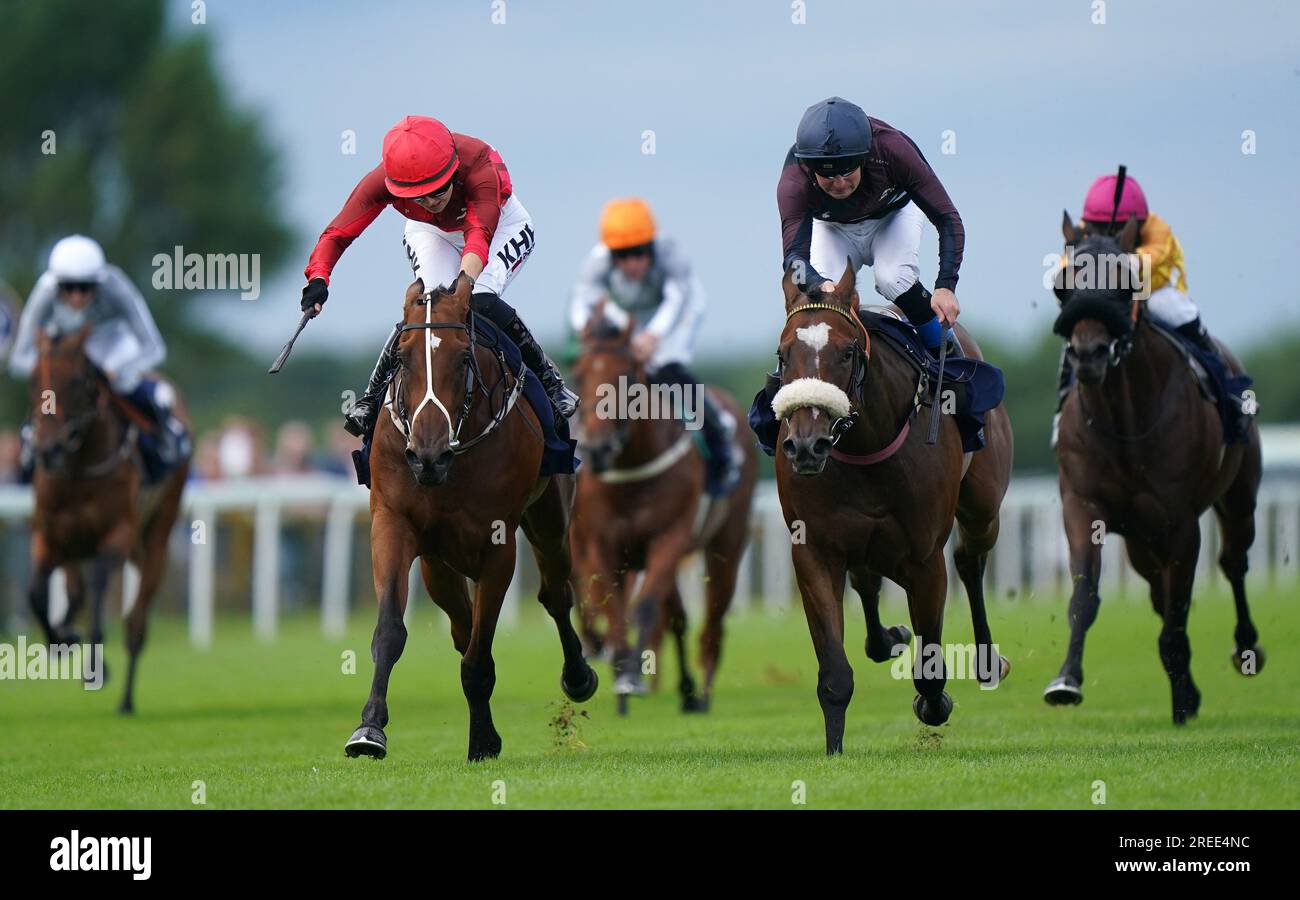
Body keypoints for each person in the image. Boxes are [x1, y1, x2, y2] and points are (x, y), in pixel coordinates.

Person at [301, 115, 577, 439]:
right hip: (433, 233)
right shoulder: (380, 182)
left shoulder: (479, 165)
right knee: (427, 309)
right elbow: (338, 233)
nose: (432, 202)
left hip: (498, 226)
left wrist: (463, 286)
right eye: (419, 196)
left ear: (453, 170)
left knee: (479, 298)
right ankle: (371, 397)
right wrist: (318, 279)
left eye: (438, 190)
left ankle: (549, 380)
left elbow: (479, 234)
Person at [569, 198, 740, 494]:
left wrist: (652, 336)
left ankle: (718, 426)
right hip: (633, 315)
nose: (631, 264)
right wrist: (607, 335)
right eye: (622, 256)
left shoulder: (670, 253)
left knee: (662, 367)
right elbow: (581, 305)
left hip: (681, 309)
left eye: (639, 254)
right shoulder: (596, 262)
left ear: (651, 248)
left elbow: (676, 301)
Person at [777, 96, 965, 356]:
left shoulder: (892, 149)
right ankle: (782, 378)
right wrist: (818, 284)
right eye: (828, 175)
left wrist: (945, 285)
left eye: (847, 171)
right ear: (810, 169)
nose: (840, 184)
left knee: (893, 279)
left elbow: (946, 218)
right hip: (833, 229)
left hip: (892, 217)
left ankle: (951, 362)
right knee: (816, 303)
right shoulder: (794, 180)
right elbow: (794, 261)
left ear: (864, 158)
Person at [8, 235, 189, 478]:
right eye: (68, 288)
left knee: (125, 384)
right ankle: (29, 453)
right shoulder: (44, 293)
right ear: (56, 284)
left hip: (112, 351)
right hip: (67, 356)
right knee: (48, 399)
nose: (77, 297)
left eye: (85, 288)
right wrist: (53, 371)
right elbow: (19, 357)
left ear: (98, 283)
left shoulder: (117, 287)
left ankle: (163, 435)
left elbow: (154, 347)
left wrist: (119, 370)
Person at [1055, 172, 1228, 402]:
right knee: (1077, 337)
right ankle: (1063, 402)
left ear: (1138, 224)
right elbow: (1066, 266)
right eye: (1099, 229)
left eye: (1116, 229)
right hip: (1108, 295)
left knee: (1179, 311)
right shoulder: (1082, 228)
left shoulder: (1158, 229)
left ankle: (1226, 387)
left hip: (1153, 289)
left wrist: (1107, 257)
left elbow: (1143, 262)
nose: (1106, 235)